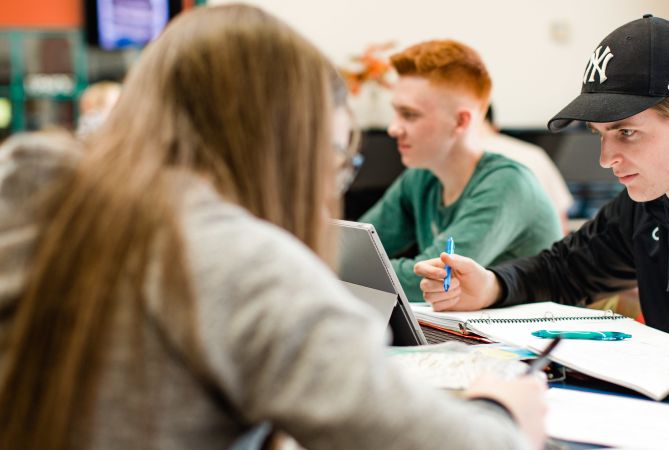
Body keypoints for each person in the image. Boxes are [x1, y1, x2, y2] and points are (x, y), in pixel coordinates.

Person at [0, 5, 548, 450]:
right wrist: (500, 409)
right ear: (286, 148)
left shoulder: (30, 184)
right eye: (335, 157)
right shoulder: (243, 264)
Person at [414, 14, 669, 359]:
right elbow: (566, 269)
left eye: (626, 132)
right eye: (599, 134)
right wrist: (493, 285)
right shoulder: (653, 199)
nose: (605, 158)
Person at [359, 40, 563, 303]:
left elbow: (429, 282)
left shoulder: (506, 183)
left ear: (460, 121)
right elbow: (356, 252)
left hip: (530, 338)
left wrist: (357, 269)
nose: (393, 129)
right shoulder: (420, 177)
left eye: (409, 115)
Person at [480, 104, 574, 233]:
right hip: (545, 249)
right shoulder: (534, 154)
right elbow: (561, 222)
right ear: (496, 127)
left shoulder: (456, 156)